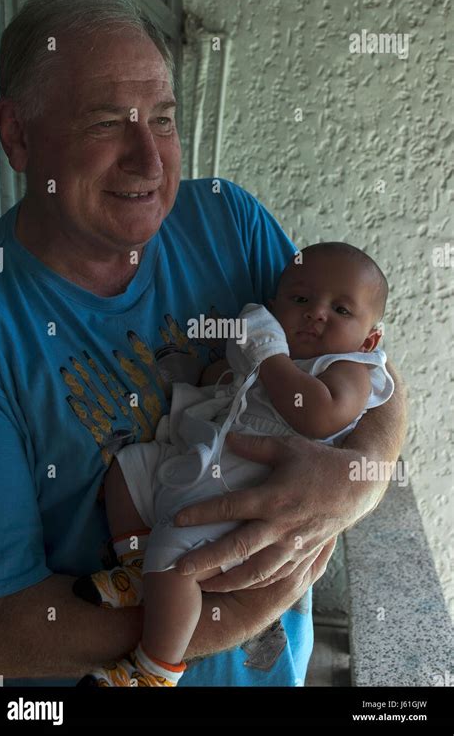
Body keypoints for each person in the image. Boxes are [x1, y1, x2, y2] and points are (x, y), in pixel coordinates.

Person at [0, 0, 407, 687]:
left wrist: (354, 479)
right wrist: (227, 616)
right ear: (19, 135)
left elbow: (369, 366)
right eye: (106, 122)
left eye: (164, 120)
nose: (149, 160)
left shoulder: (227, 219)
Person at [75, 242, 395, 687]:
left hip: (250, 489)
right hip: (207, 458)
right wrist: (232, 371)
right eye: (301, 300)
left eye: (341, 309)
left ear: (370, 339)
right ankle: (134, 567)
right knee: (128, 471)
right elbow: (221, 382)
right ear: (275, 305)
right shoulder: (268, 352)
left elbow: (317, 415)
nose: (316, 314)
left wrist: (269, 358)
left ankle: (154, 668)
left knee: (177, 560)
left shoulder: (349, 369)